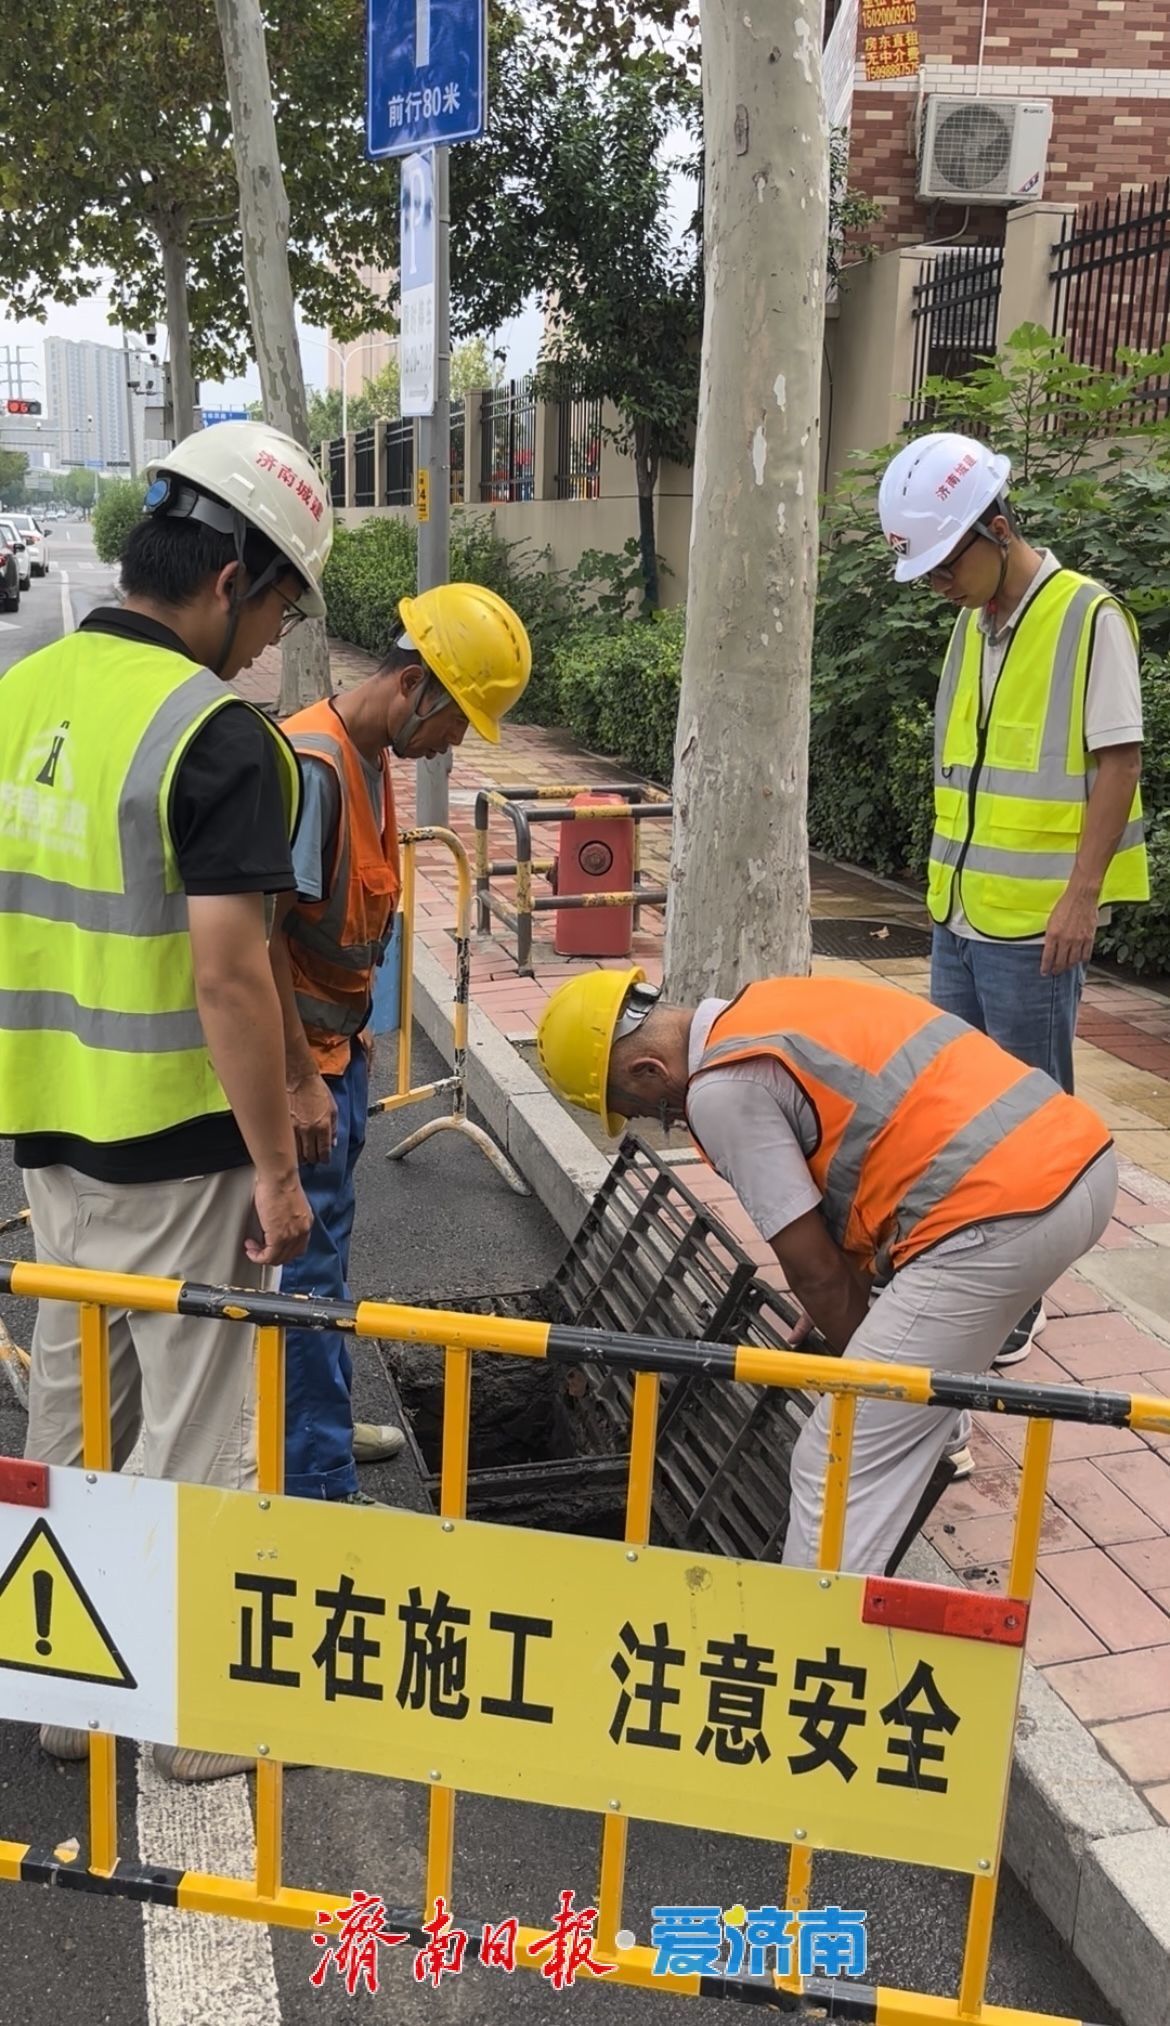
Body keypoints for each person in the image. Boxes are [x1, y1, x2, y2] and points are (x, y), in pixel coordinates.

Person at [0, 420, 331, 1780]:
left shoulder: (26, 692)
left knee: (77, 1406)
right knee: (201, 1422)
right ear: (230, 575)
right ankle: (190, 1731)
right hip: (178, 1149)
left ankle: (63, 1683)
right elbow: (230, 979)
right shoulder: (214, 735)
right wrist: (277, 1164)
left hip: (46, 1132)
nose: (268, 644)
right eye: (278, 609)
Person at [535, 967, 1117, 1576]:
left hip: (996, 1219)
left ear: (649, 1072)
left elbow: (815, 1272)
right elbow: (869, 1147)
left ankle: (809, 1651)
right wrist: (871, 1332)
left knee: (833, 1461)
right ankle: (942, 1436)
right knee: (900, 1357)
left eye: (644, 1110)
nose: (666, 1119)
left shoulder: (721, 1089)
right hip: (1078, 1162)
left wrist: (858, 1349)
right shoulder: (768, 1005)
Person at [878, 432, 1145, 1366]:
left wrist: (1082, 898)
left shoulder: (1085, 616)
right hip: (960, 912)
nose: (939, 581)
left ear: (997, 526)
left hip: (1036, 923)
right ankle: (967, 1267)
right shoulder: (971, 625)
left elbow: (1119, 760)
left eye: (948, 561)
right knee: (957, 1105)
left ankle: (1024, 1287)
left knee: (1035, 1114)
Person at [272, 584, 531, 1502]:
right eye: (457, 719)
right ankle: (313, 1478)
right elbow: (257, 938)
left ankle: (322, 1431)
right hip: (297, 1073)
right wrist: (301, 1079)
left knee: (325, 1264)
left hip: (336, 1063)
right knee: (300, 1280)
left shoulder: (365, 757)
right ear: (414, 683)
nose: (455, 744)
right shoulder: (314, 763)